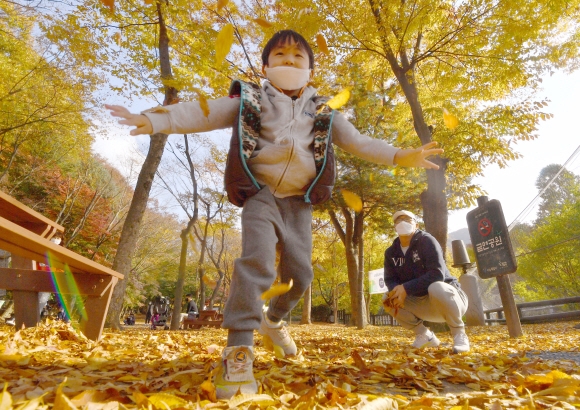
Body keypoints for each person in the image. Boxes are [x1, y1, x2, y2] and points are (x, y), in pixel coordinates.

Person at [106, 30, 443, 399]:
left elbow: (360, 142)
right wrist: (155, 119)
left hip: (299, 202)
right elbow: (201, 113)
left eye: (297, 57)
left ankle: (275, 320)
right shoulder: (251, 99)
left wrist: (399, 155)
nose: (288, 62)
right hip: (261, 195)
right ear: (266, 66)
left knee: (301, 275)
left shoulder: (324, 111)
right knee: (257, 263)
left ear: (310, 69)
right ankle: (238, 351)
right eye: (279, 56)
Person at [383, 210, 470, 354]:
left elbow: (437, 274)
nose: (403, 223)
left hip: (450, 299)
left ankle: (459, 334)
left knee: (436, 287)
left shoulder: (427, 241)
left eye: (407, 220)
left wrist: (406, 288)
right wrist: (397, 291)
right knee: (388, 298)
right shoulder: (391, 252)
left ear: (416, 224)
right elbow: (390, 279)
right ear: (394, 227)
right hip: (422, 305)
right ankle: (425, 335)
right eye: (398, 221)